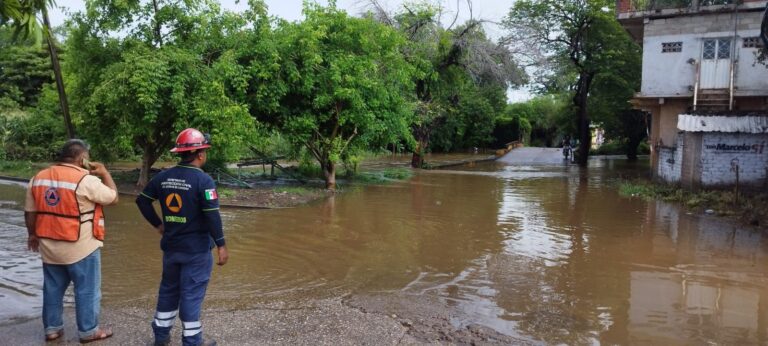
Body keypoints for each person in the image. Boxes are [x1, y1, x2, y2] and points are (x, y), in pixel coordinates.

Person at [135, 128, 228, 346]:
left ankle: (160, 337)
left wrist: (159, 225)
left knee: (168, 290)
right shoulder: (203, 181)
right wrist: (221, 245)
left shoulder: (163, 177)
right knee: (192, 294)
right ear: (200, 154)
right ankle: (193, 341)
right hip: (196, 251)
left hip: (171, 248)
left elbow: (142, 201)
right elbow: (212, 216)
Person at [24, 139, 118, 343]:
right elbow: (113, 197)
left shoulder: (38, 178)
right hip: (81, 247)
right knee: (87, 290)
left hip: (49, 247)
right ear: (83, 158)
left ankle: (52, 329)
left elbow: (30, 212)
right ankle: (88, 331)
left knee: (52, 289)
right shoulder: (86, 180)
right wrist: (104, 173)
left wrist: (32, 234)